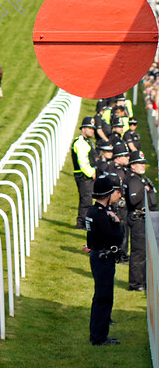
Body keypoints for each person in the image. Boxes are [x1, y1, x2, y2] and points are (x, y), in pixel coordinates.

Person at [85, 175, 123, 346]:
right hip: (103, 259)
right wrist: (117, 222)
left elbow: (90, 236)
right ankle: (99, 337)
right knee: (104, 298)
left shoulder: (91, 212)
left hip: (96, 256)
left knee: (99, 297)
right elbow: (114, 237)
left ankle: (97, 333)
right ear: (108, 195)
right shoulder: (102, 215)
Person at [124, 150, 157, 292]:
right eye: (139, 163)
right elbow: (133, 199)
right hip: (137, 219)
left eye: (143, 163)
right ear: (132, 166)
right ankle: (136, 284)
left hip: (144, 218)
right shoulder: (134, 180)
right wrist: (144, 189)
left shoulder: (140, 179)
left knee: (144, 252)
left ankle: (142, 281)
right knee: (138, 253)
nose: (143, 165)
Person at [72, 117, 97, 229]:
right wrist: (91, 173)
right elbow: (82, 161)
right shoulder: (81, 142)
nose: (92, 130)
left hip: (85, 175)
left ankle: (84, 222)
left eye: (93, 128)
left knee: (87, 198)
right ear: (83, 128)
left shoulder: (85, 141)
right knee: (86, 200)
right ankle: (81, 224)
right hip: (84, 175)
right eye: (90, 128)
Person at [108, 143, 130, 262]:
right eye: (125, 155)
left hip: (114, 204)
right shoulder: (119, 172)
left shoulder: (111, 167)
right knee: (122, 230)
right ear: (117, 157)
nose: (128, 158)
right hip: (119, 205)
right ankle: (121, 256)